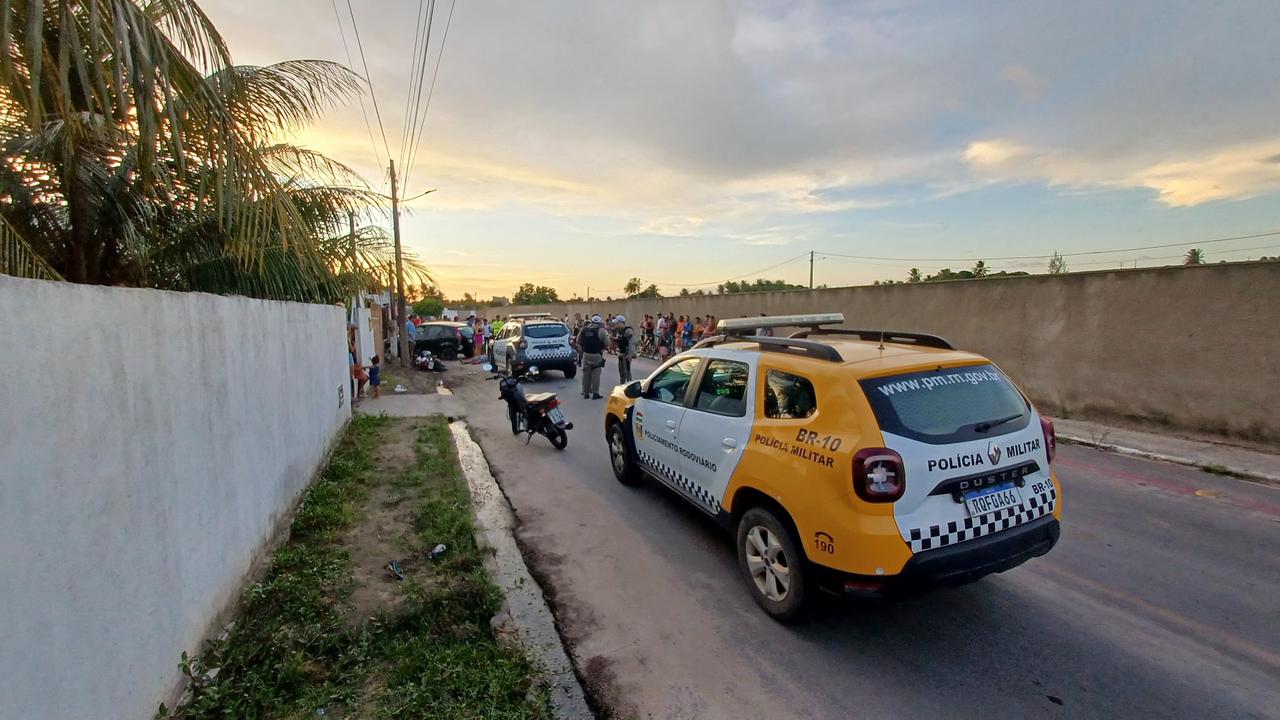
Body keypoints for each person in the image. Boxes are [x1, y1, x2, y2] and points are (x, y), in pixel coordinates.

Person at [576, 314, 609, 399]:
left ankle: (585, 392)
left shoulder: (583, 329)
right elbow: (607, 343)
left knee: (586, 374)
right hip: (596, 355)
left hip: (586, 355)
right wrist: (603, 348)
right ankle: (595, 393)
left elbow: (578, 341)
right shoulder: (601, 331)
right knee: (596, 374)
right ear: (599, 322)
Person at [612, 315, 635, 383]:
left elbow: (631, 343)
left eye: (617, 323)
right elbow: (620, 340)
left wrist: (629, 355)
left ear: (621, 322)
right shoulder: (619, 331)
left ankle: (630, 388)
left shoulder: (628, 331)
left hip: (626, 354)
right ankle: (622, 387)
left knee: (627, 373)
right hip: (621, 354)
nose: (616, 324)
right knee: (621, 373)